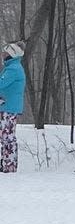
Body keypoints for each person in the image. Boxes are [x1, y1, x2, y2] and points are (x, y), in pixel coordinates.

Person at [0, 40, 26, 173]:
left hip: (9, 108)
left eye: (5, 52)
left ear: (11, 55)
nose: (2, 54)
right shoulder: (12, 68)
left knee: (7, 137)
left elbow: (1, 84)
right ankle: (7, 164)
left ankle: (9, 166)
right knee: (6, 136)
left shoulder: (13, 69)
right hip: (7, 107)